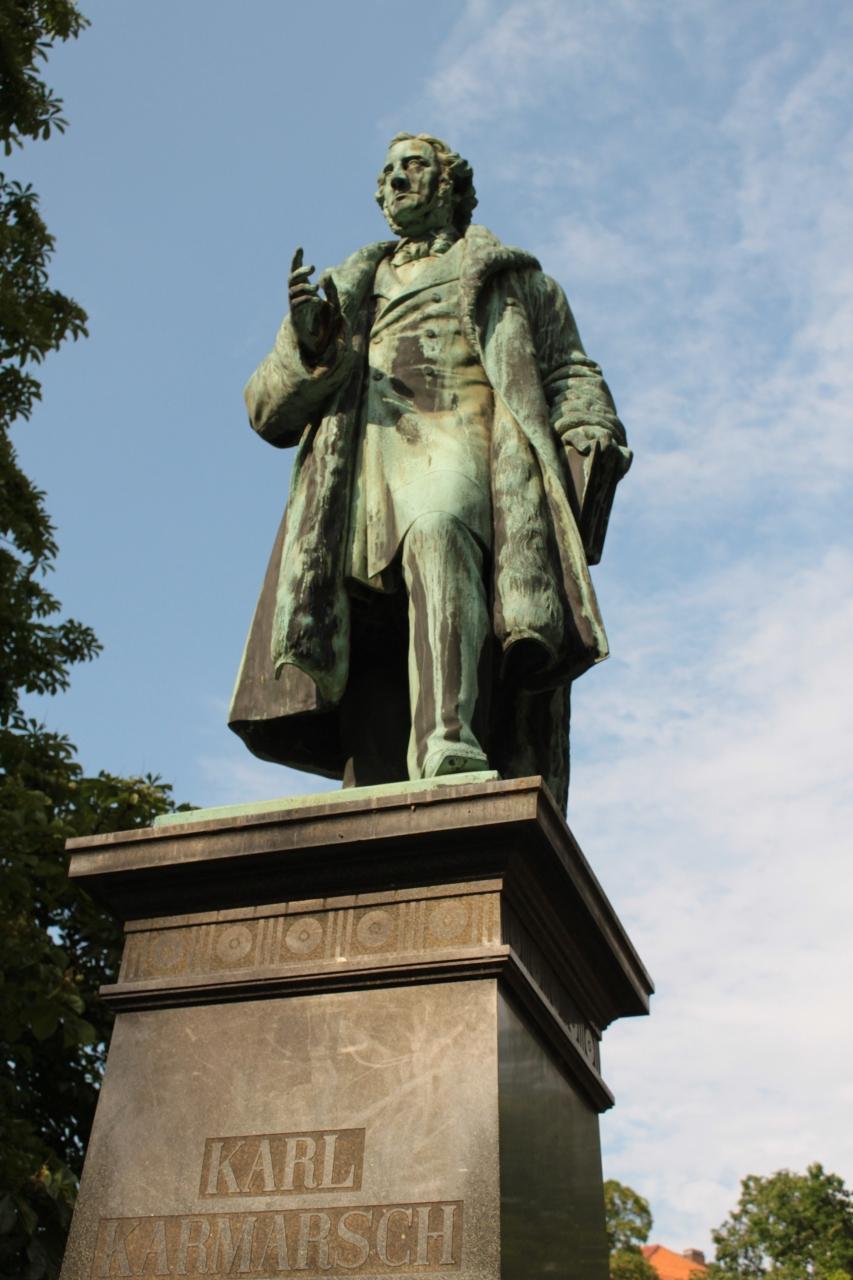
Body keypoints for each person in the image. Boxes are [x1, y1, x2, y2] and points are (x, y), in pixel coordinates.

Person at [228, 133, 631, 809]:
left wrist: (590, 426)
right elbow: (266, 411)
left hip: (468, 438)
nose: (394, 180)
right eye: (386, 172)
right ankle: (382, 780)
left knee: (439, 530)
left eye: (411, 166)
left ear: (449, 185)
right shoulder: (347, 288)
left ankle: (447, 740)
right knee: (368, 626)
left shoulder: (517, 282)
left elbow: (569, 371)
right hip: (363, 462)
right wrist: (309, 346)